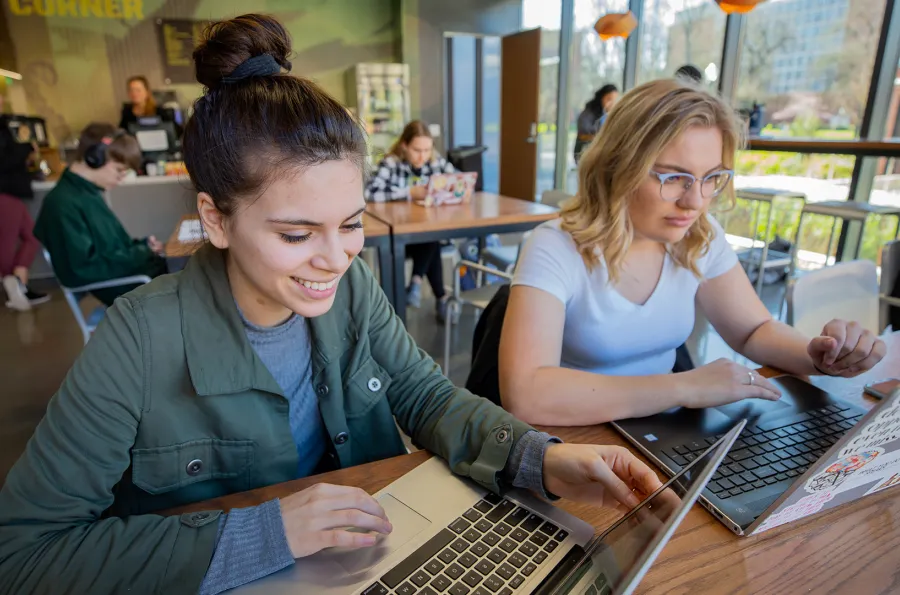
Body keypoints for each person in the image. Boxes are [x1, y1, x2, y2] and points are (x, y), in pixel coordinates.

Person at [0, 14, 663, 595]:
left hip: (365, 553)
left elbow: (424, 397)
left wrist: (535, 458)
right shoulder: (136, 341)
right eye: (295, 234)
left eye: (351, 223)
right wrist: (262, 532)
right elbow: (22, 554)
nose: (336, 258)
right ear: (217, 219)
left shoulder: (351, 288)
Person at [499, 79, 886, 427]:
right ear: (618, 166)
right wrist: (682, 387)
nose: (695, 201)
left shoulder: (698, 235)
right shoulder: (556, 246)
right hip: (575, 434)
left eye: (711, 178)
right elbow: (527, 394)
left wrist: (818, 355)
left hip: (661, 431)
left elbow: (753, 331)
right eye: (673, 178)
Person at [33, 123, 166, 306]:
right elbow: (84, 268)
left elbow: (111, 248)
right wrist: (141, 252)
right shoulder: (62, 203)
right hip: (126, 287)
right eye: (119, 170)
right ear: (94, 158)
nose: (121, 178)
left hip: (135, 278)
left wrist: (142, 246)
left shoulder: (87, 194)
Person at [365, 120, 455, 322]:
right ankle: (440, 297)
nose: (422, 156)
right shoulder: (391, 163)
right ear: (404, 146)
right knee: (431, 239)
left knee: (430, 234)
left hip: (423, 235)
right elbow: (370, 192)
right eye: (417, 150)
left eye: (427, 150)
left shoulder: (435, 161)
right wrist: (409, 192)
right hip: (398, 238)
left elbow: (457, 179)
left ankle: (415, 284)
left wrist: (449, 190)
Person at [0, 97, 49, 310]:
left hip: (13, 190)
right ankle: (14, 284)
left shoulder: (5, 125)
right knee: (8, 243)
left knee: (32, 235)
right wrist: (26, 146)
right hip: (5, 191)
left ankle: (19, 284)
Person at [574, 84, 618, 162]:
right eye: (609, 99)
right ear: (601, 97)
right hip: (586, 152)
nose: (612, 103)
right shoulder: (588, 113)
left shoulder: (610, 115)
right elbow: (584, 133)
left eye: (614, 100)